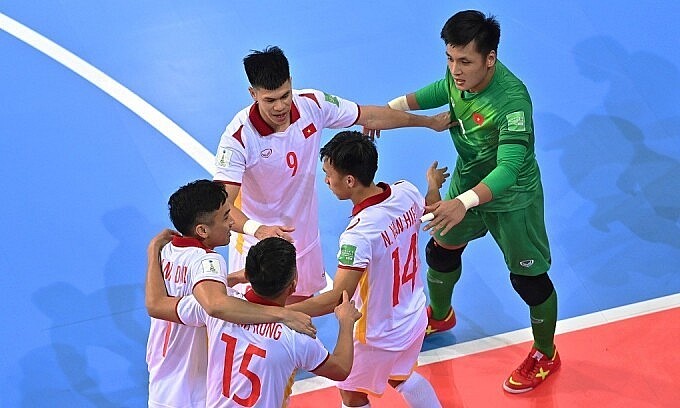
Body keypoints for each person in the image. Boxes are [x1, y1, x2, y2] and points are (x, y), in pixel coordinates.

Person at [384, 10, 560, 394]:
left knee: (528, 280)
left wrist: (462, 202)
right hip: (468, 181)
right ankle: (442, 316)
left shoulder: (512, 103)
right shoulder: (457, 75)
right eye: (450, 58)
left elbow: (509, 168)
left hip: (513, 200)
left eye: (464, 61)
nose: (455, 69)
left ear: (490, 59)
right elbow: (439, 90)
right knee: (441, 251)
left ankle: (546, 353)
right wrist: (390, 109)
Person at [214, 46, 452, 303]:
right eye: (270, 100)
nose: (280, 107)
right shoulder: (238, 137)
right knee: (261, 324)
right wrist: (258, 229)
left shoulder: (312, 104)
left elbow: (369, 115)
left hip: (304, 241)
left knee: (301, 315)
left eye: (285, 95)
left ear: (292, 83)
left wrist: (428, 123)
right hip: (259, 247)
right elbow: (221, 205)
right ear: (253, 94)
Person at [289, 131, 442, 408]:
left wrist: (279, 312)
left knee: (351, 393)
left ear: (349, 180)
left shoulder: (359, 234)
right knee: (402, 377)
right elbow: (430, 206)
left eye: (329, 174)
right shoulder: (406, 190)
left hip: (377, 333)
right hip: (413, 316)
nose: (326, 180)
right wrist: (432, 184)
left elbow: (338, 297)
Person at [145, 180, 315, 408]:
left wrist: (233, 278)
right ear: (202, 230)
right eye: (225, 217)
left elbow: (158, 303)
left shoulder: (167, 249)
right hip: (192, 389)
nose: (232, 222)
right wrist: (283, 315)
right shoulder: (208, 260)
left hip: (161, 380)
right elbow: (216, 304)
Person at [146, 235, 361, 408]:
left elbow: (157, 305)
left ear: (248, 274)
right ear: (293, 286)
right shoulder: (297, 338)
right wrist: (346, 323)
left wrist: (153, 250)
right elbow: (341, 369)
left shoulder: (218, 310)